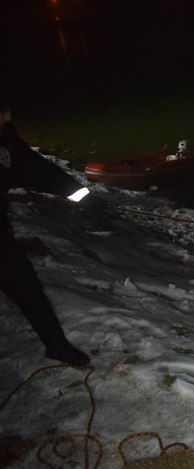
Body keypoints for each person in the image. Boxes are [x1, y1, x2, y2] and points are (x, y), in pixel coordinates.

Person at [0, 100, 106, 366]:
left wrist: (84, 197)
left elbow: (40, 171)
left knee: (28, 288)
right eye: (2, 111)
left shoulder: (5, 141)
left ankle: (57, 347)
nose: (9, 116)